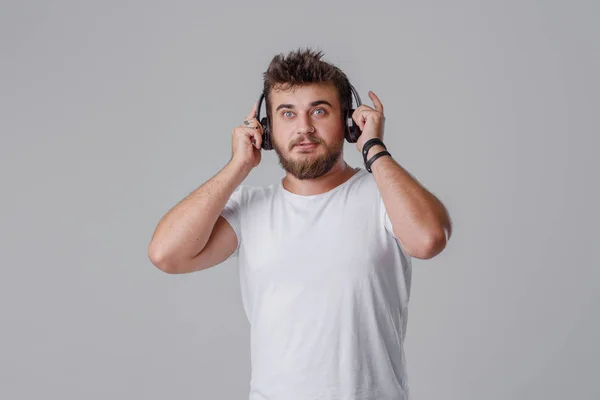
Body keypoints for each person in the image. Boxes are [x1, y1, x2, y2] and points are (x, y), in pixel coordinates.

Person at [148, 48, 452, 400]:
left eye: (319, 111)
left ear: (348, 122)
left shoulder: (384, 196)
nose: (304, 128)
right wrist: (238, 166)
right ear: (266, 128)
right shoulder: (250, 208)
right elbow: (166, 254)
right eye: (287, 113)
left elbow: (429, 240)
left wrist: (374, 148)